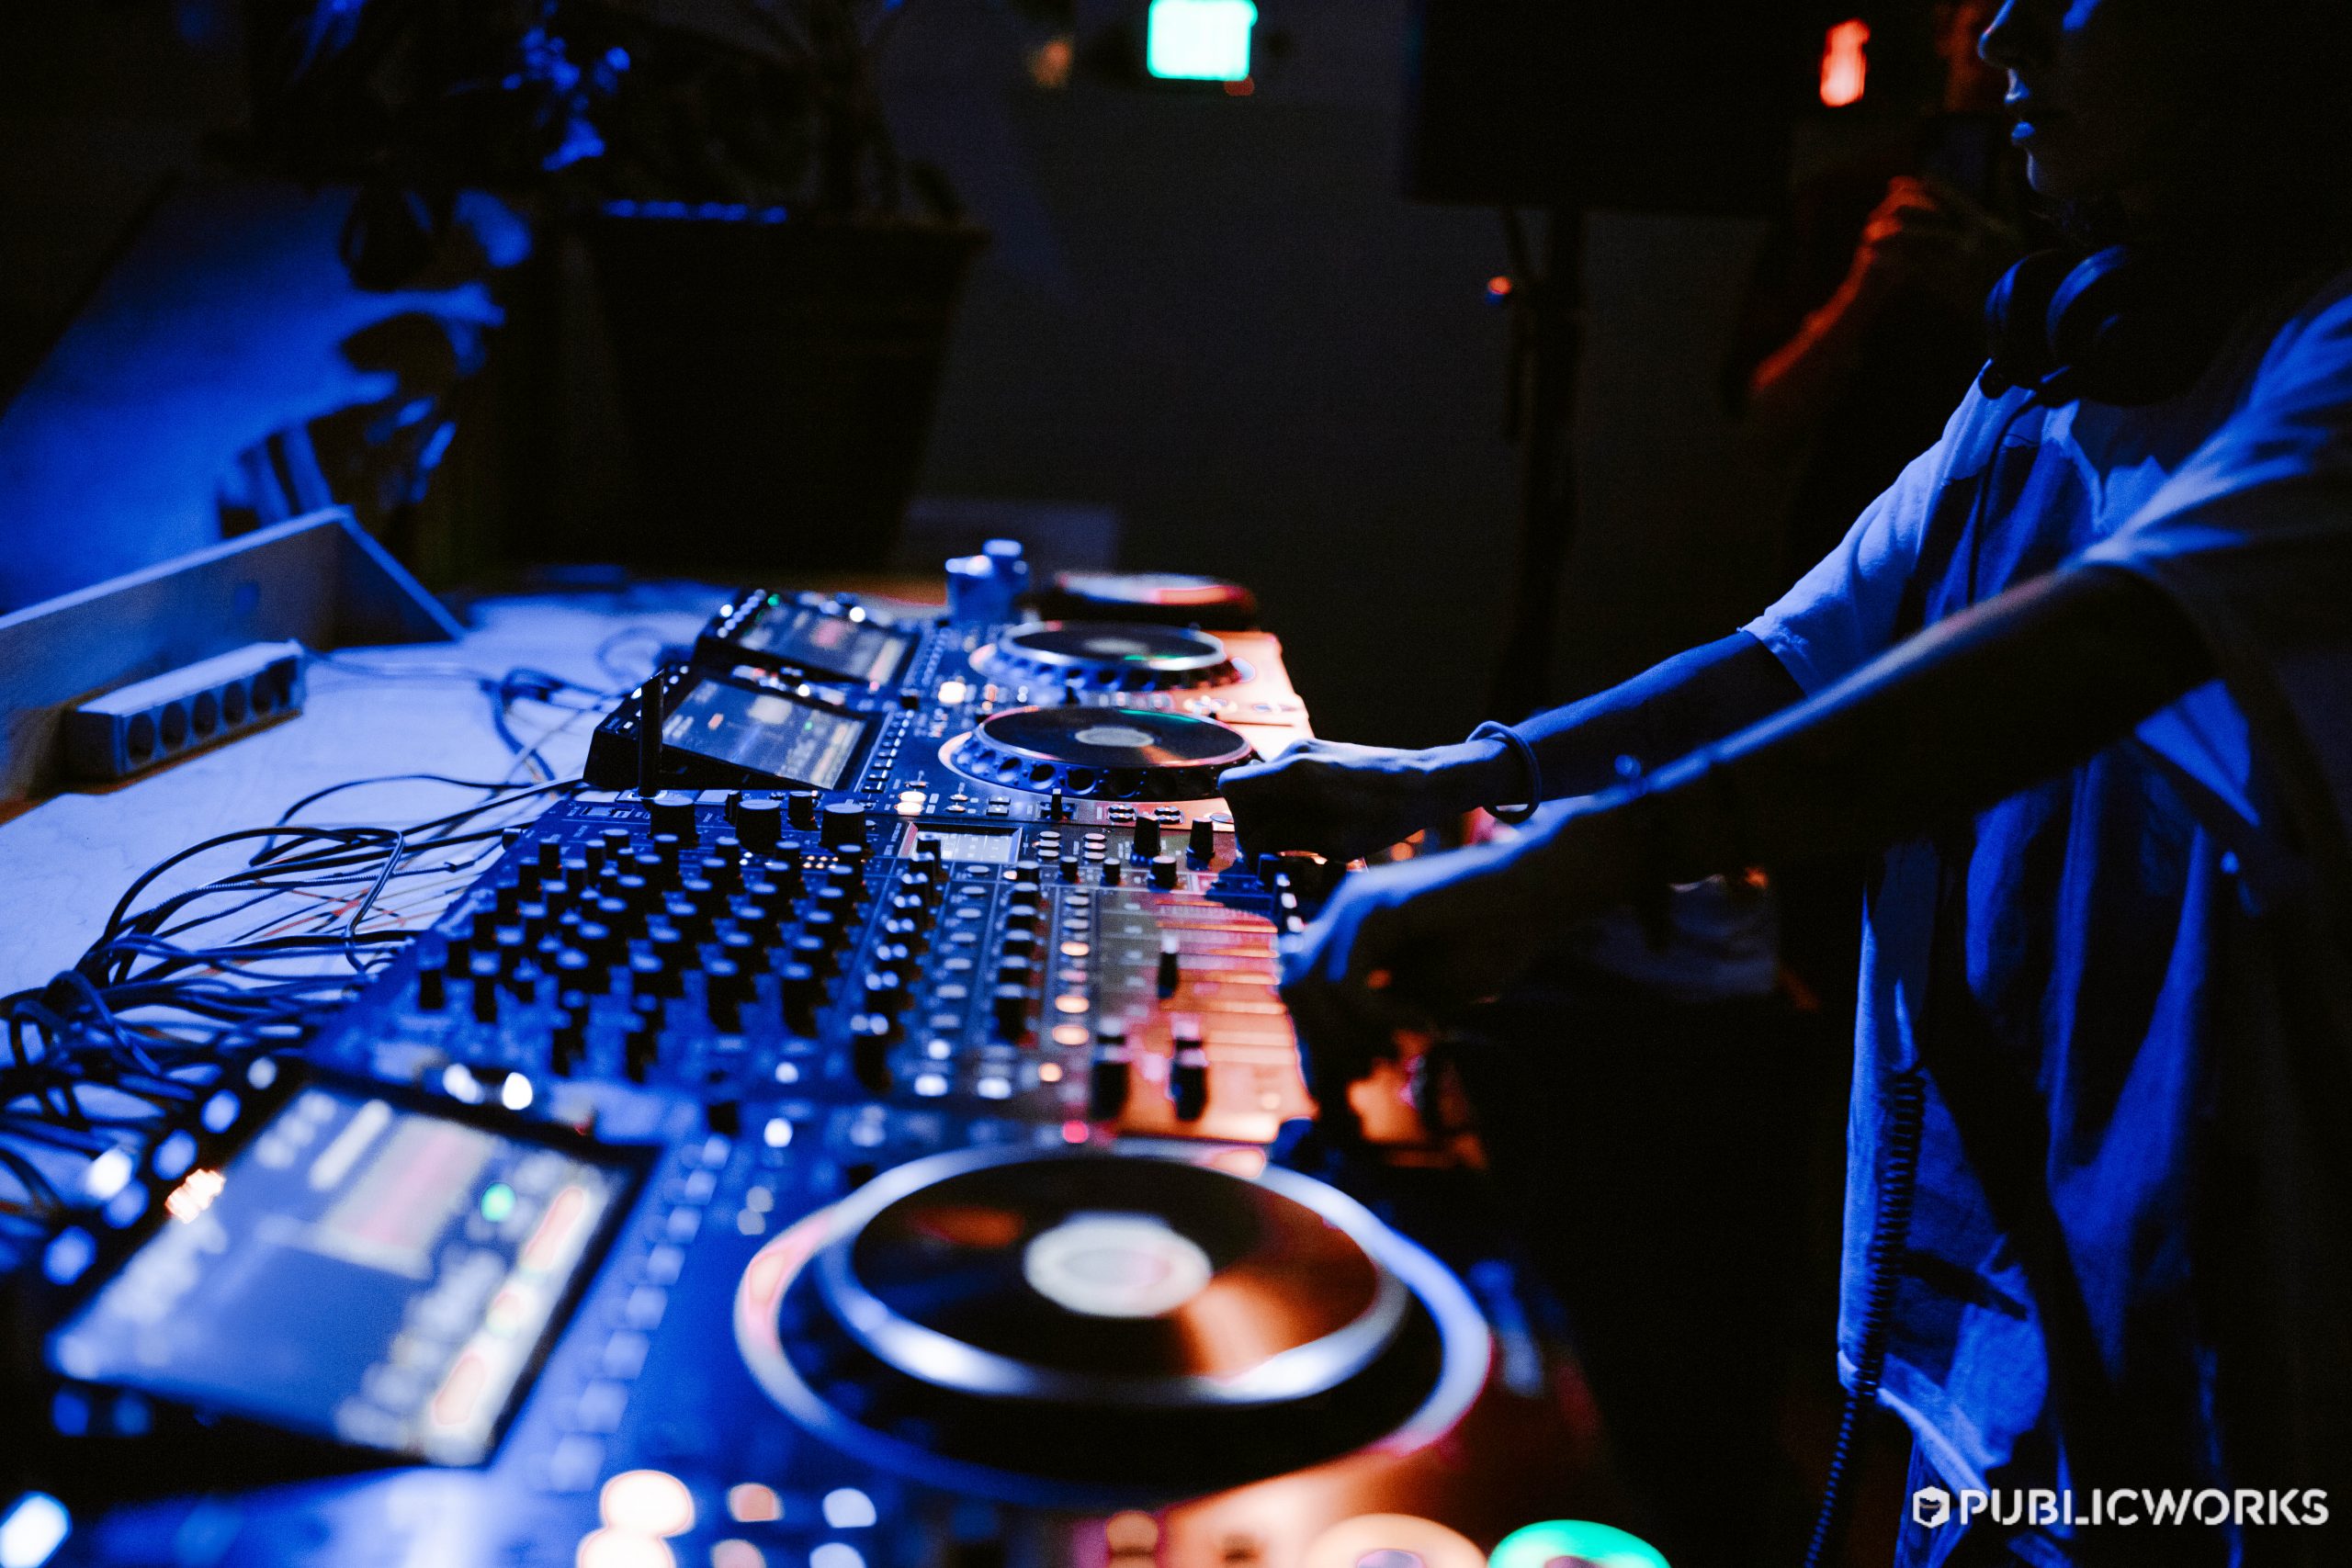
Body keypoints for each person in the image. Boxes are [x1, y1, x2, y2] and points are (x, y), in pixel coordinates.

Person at [1225, 2, 2352, 1563]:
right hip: (1987, 1231)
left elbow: (2103, 641)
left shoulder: (2331, 354)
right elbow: (1794, 650)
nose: (2005, 31)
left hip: (2212, 1271)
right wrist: (1458, 777)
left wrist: (1571, 867)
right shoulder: (2071, 347)